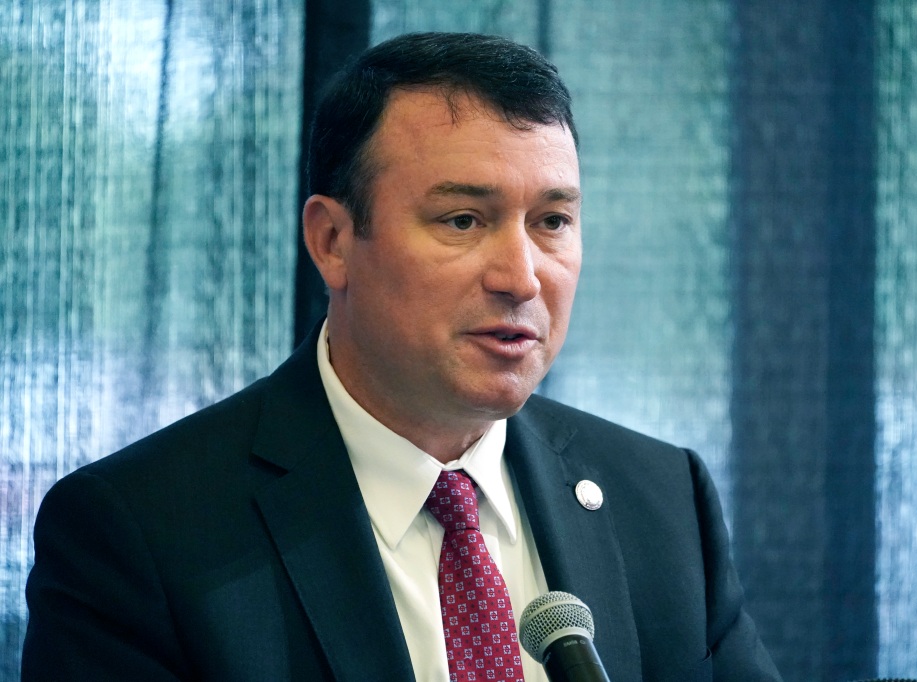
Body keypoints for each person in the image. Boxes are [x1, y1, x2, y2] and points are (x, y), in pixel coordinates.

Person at [22, 32, 781, 681]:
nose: (520, 277)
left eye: (552, 220)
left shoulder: (661, 500)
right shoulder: (141, 532)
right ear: (332, 241)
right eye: (462, 219)